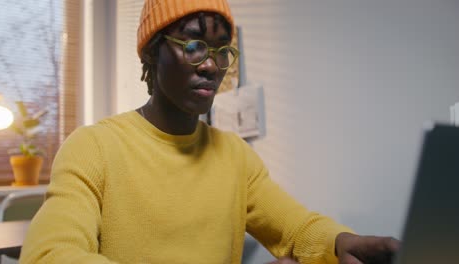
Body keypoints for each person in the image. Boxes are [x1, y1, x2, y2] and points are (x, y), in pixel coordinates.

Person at [20, 0, 399, 263]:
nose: (212, 65)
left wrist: (342, 242)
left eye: (221, 50)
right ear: (152, 52)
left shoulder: (235, 156)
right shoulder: (94, 147)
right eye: (193, 44)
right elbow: (49, 255)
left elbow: (297, 228)